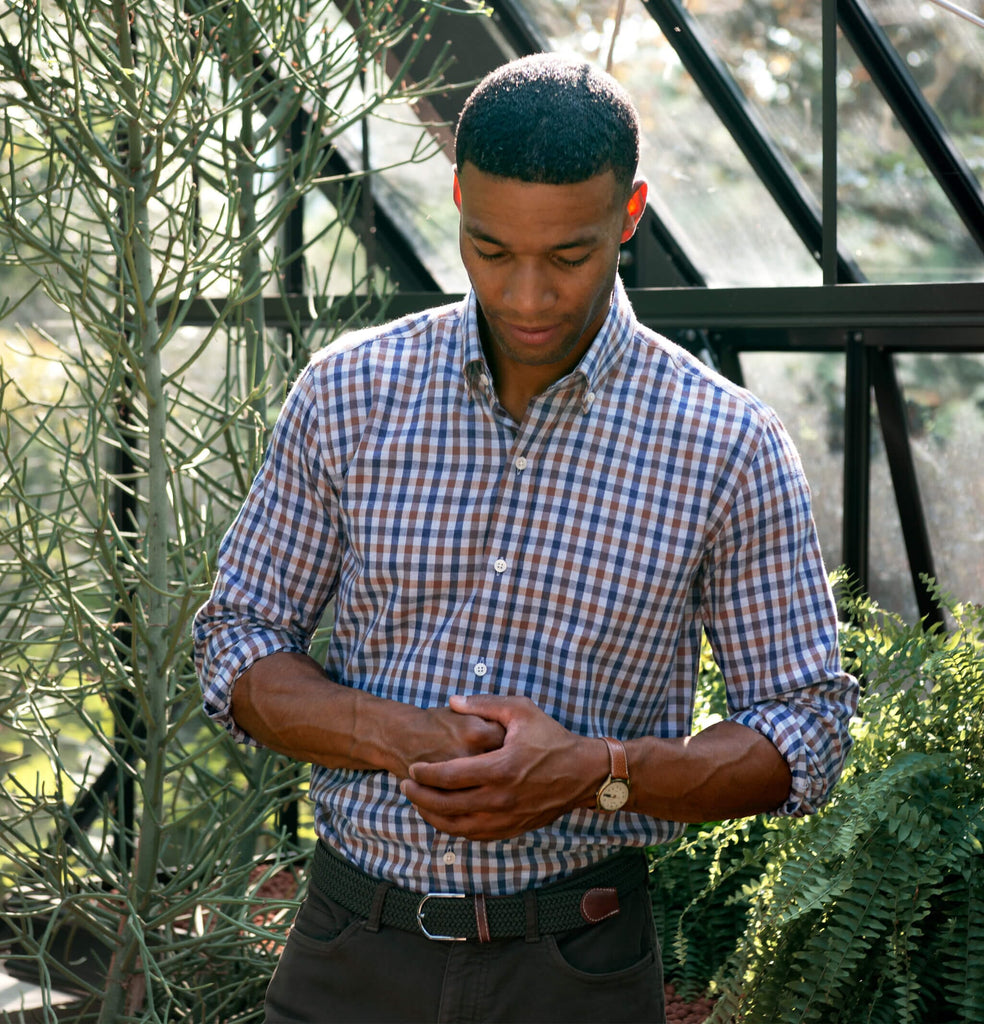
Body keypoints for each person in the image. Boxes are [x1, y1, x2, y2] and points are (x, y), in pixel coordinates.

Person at [193, 53, 858, 1024]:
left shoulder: (725, 442)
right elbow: (237, 639)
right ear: (457, 200)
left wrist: (597, 772)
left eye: (570, 255)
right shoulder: (349, 393)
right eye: (491, 249)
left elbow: (803, 729)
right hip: (345, 951)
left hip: (576, 968)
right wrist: (404, 737)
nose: (528, 298)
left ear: (628, 216)